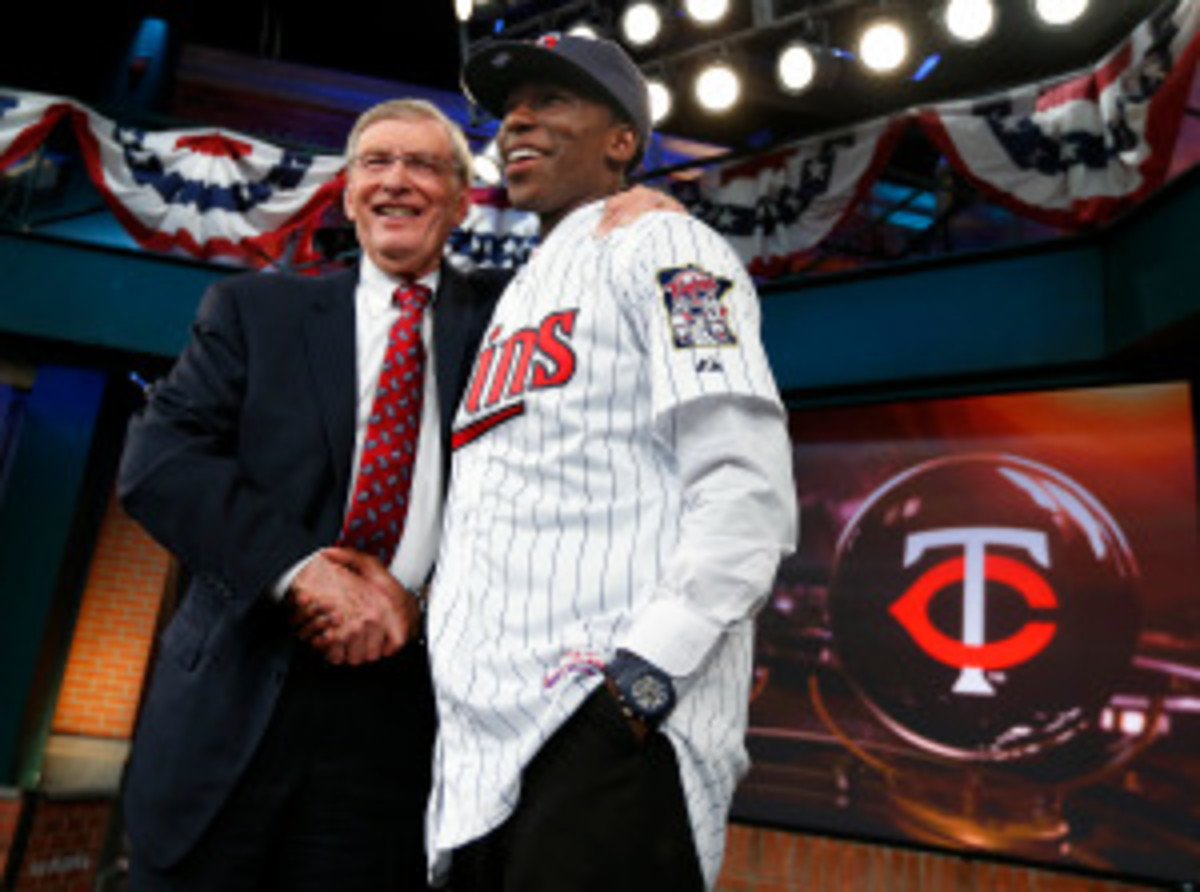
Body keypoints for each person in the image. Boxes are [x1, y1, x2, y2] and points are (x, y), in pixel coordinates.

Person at [117, 95, 677, 891]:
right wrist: (302, 570)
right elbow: (159, 461)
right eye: (376, 162)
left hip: (405, 728)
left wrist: (640, 217)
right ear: (348, 193)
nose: (397, 181)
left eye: (424, 165)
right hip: (232, 714)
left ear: (458, 199)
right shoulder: (253, 310)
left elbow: (561, 494)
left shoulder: (514, 320)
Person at [425, 34, 799, 892]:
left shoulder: (668, 250)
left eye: (551, 99)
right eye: (511, 105)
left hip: (601, 729)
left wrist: (642, 683)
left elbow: (744, 486)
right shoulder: (522, 285)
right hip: (490, 747)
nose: (517, 117)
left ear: (621, 140)